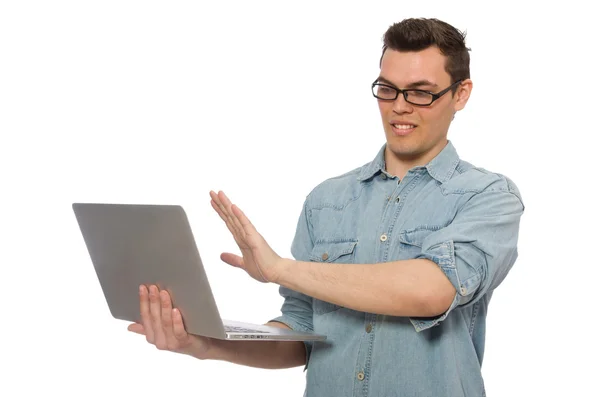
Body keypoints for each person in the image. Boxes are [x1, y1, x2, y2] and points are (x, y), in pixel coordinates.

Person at [127, 17, 525, 396]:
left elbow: (432, 291)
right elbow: (302, 334)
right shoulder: (326, 201)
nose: (399, 107)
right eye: (387, 89)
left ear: (461, 94)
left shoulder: (488, 197)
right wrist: (203, 343)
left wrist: (280, 268)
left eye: (420, 92)